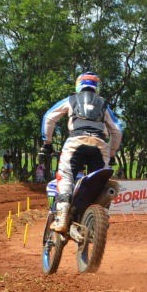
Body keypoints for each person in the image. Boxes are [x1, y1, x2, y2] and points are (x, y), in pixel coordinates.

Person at [40, 72, 123, 234]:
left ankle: (62, 216)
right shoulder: (103, 104)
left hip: (75, 142)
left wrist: (47, 143)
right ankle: (101, 218)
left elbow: (49, 117)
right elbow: (117, 130)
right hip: (99, 145)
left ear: (79, 85)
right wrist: (112, 153)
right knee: (101, 183)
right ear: (96, 87)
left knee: (65, 176)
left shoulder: (71, 99)